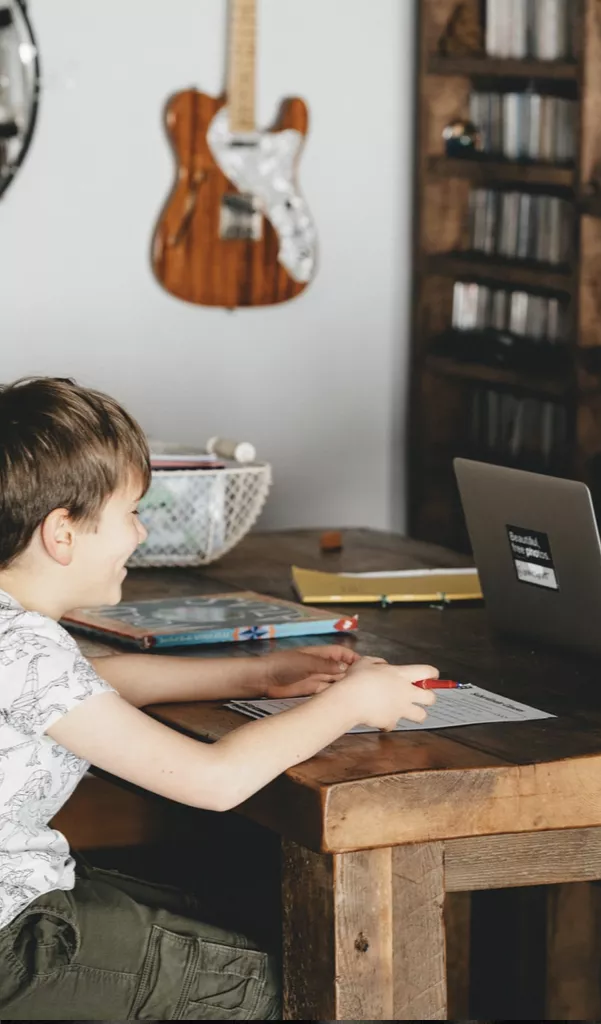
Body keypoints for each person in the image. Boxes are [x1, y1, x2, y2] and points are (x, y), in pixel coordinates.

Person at [0, 377, 439, 1020]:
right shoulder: (27, 650)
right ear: (62, 533)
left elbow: (93, 686)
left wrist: (255, 676)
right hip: (14, 944)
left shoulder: (19, 637)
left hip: (20, 902)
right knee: (307, 978)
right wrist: (352, 702)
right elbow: (214, 780)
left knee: (232, 915)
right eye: (131, 513)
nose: (141, 535)